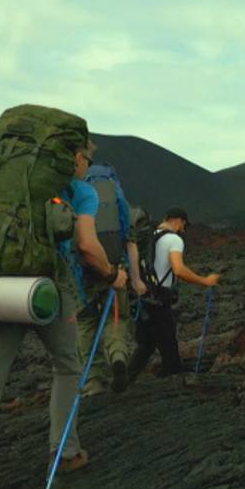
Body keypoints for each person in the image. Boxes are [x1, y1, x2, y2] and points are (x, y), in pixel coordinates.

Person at [0, 139, 128, 489]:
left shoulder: (3, 183)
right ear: (76, 157)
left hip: (1, 286)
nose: (86, 165)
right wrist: (112, 274)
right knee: (67, 366)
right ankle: (66, 453)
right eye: (86, 158)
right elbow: (87, 246)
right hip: (48, 289)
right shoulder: (81, 191)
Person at [74, 168, 146, 396]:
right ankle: (117, 356)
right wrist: (136, 280)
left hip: (83, 277)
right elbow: (131, 244)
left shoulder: (77, 196)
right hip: (116, 274)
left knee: (86, 325)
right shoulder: (119, 202)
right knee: (116, 319)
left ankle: (93, 381)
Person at [128, 207, 220, 378]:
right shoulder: (174, 240)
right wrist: (204, 281)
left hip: (142, 294)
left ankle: (124, 380)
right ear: (178, 220)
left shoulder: (149, 237)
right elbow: (179, 269)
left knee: (146, 344)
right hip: (160, 296)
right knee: (168, 338)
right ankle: (172, 374)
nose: (183, 229)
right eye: (184, 225)